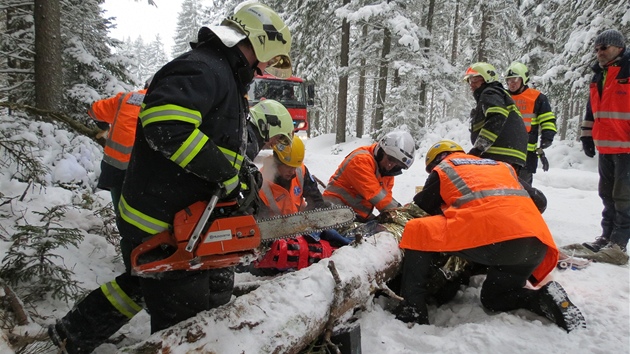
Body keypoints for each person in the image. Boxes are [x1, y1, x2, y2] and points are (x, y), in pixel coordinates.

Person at [49, 4, 293, 353]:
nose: (267, 67)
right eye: (270, 57)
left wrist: (240, 174)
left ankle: (74, 334)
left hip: (180, 213)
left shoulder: (224, 75)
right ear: (262, 40)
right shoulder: (203, 69)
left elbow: (218, 143)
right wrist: (224, 174)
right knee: (181, 320)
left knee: (143, 281)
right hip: (160, 215)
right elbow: (167, 126)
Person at [394, 140, 586, 332]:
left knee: (417, 230)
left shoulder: (445, 167)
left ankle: (413, 309)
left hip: (494, 239)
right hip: (535, 243)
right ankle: (543, 298)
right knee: (495, 298)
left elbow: (423, 206)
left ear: (435, 161)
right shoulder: (500, 166)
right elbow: (540, 200)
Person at [580, 29, 630, 263]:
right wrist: (587, 136)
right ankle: (606, 237)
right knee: (607, 195)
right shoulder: (598, 76)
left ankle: (618, 245)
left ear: (619, 48)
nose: (599, 52)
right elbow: (593, 109)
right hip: (607, 146)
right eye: (597, 48)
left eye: (604, 47)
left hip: (627, 147)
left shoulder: (627, 72)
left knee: (624, 197)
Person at [88, 76, 152, 216]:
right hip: (145, 171)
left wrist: (104, 126)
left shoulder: (125, 98)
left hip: (115, 168)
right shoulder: (166, 103)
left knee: (121, 213)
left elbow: (94, 110)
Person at [323, 131, 416, 222]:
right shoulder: (360, 160)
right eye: (390, 159)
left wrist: (391, 214)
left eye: (397, 165)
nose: (390, 165)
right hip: (334, 210)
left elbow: (386, 199)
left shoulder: (386, 172)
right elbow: (376, 195)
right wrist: (400, 213)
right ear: (381, 151)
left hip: (356, 215)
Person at [463, 62, 528, 172]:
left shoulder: (490, 92)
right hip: (510, 155)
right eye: (469, 80)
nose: (471, 84)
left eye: (475, 79)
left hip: (498, 154)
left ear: (487, 78)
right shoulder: (500, 95)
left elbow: (497, 116)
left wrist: (479, 148)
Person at [505, 62, 557, 185]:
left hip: (526, 151)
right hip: (504, 149)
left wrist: (547, 136)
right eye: (509, 80)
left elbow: (547, 119)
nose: (512, 83)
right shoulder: (502, 96)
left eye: (515, 79)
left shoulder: (537, 97)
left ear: (523, 79)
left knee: (523, 187)